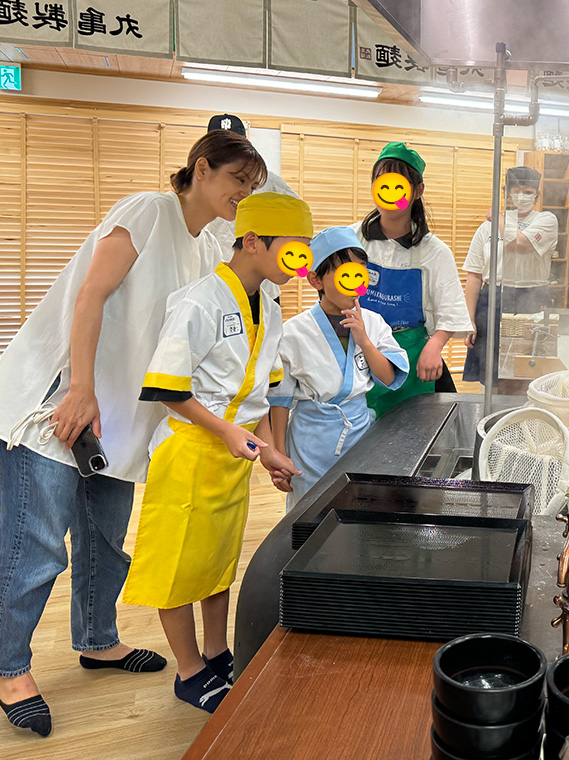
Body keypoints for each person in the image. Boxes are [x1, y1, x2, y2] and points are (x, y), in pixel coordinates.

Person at [0, 131, 266, 737]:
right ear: (201, 170)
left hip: (118, 420)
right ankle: (10, 667)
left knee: (106, 541)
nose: (242, 194)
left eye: (251, 187)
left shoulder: (205, 248)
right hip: (62, 400)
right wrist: (81, 388)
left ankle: (97, 641)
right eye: (236, 181)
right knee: (36, 543)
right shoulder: (147, 211)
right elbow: (91, 295)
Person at [121, 193, 307, 713]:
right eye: (294, 251)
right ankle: (188, 672)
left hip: (235, 455)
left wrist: (270, 450)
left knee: (218, 561)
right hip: (189, 451)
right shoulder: (199, 300)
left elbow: (265, 393)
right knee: (178, 566)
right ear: (252, 242)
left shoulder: (269, 310)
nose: (303, 264)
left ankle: (216, 652)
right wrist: (224, 431)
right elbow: (166, 386)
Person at [268, 226, 409, 511]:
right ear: (316, 280)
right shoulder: (293, 332)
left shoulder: (373, 322)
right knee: (310, 512)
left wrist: (364, 341)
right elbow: (280, 401)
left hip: (360, 435)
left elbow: (389, 376)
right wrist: (280, 455)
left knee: (357, 511)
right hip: (310, 442)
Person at [351, 142, 473, 417]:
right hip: (357, 350)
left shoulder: (435, 251)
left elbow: (451, 310)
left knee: (409, 435)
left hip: (411, 356)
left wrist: (435, 346)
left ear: (417, 191)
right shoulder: (352, 239)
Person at [462, 166, 558, 384]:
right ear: (505, 192)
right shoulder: (485, 229)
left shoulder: (546, 220)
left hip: (531, 300)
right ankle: (493, 416)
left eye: (528, 191)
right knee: (491, 375)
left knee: (530, 373)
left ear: (537, 196)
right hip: (492, 299)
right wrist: (469, 319)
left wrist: (497, 217)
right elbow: (474, 275)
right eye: (516, 190)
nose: (521, 196)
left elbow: (520, 244)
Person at [202, 114, 299, 301]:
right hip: (218, 282)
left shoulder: (268, 181)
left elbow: (298, 218)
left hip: (262, 287)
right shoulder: (202, 184)